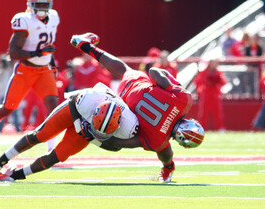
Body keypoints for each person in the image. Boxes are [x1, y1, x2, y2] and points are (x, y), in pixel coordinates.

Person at [70, 32, 205, 182]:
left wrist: (171, 85)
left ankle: (85, 46)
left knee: (123, 70)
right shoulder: (159, 142)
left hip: (135, 84)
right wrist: (94, 136)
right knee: (120, 137)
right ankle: (83, 123)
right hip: (121, 105)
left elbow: (154, 72)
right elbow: (118, 143)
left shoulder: (184, 100)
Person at [0, 82, 139, 182]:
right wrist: (78, 125)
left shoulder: (129, 127)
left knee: (55, 157)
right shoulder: (90, 99)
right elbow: (72, 100)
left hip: (86, 130)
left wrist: (91, 137)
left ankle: (12, 176)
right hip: (75, 111)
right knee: (40, 135)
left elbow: (116, 147)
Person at [0, 0, 59, 150]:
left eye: (45, 4)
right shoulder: (24, 20)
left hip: (44, 71)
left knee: (52, 104)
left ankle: (51, 147)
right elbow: (14, 53)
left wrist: (50, 61)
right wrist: (38, 52)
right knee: (7, 108)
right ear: (30, 3)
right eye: (39, 4)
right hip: (25, 70)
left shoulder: (55, 17)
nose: (42, 8)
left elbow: (47, 45)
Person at [194, 60, 226, 131]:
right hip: (206, 94)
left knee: (218, 113)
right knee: (203, 113)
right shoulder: (204, 72)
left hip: (215, 93)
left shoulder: (218, 72)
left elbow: (223, 82)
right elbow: (197, 81)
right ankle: (201, 129)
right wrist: (205, 82)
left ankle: (220, 128)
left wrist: (218, 80)